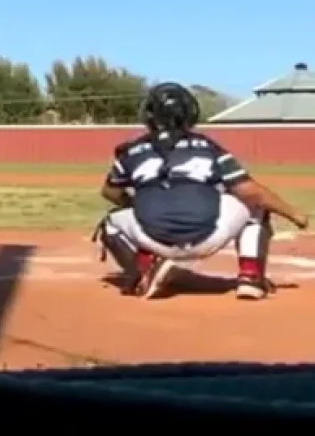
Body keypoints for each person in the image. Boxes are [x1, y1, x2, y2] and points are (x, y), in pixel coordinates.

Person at [96, 82, 308, 300]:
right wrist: (295, 215)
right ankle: (250, 277)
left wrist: (135, 203)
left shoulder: (131, 151)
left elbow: (109, 192)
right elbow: (249, 190)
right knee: (256, 202)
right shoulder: (207, 146)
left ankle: (142, 268)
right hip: (207, 237)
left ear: (149, 114)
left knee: (110, 222)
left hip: (153, 238)